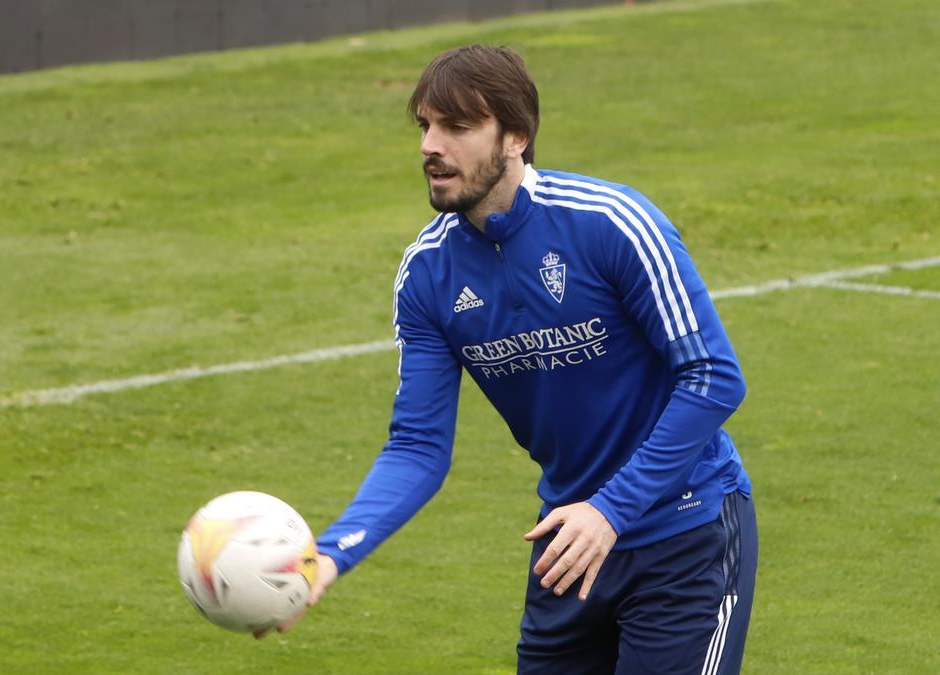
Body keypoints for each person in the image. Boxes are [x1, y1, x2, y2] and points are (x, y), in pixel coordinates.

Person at [260, 44, 758, 675]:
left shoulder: (611, 224)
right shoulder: (427, 275)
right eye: (425, 126)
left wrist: (612, 509)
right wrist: (330, 556)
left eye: (458, 127)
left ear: (517, 137)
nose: (430, 146)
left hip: (685, 531)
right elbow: (417, 445)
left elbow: (713, 376)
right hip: (566, 548)